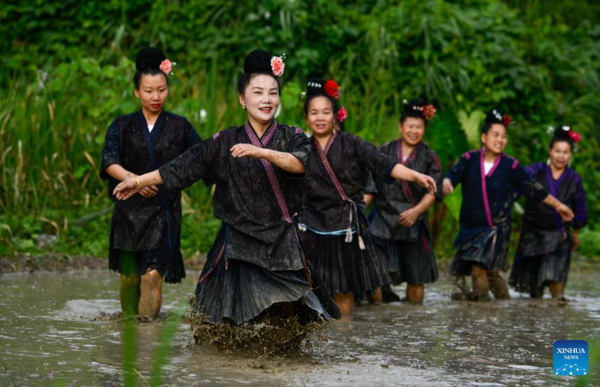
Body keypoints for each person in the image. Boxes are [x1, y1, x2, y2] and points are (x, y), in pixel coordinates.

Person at [113, 50, 340, 325]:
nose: (266, 100)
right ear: (242, 100)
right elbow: (182, 167)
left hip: (282, 243)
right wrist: (136, 181)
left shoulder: (292, 136)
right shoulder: (224, 140)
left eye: (273, 93)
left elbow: (299, 164)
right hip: (238, 244)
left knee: (287, 318)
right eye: (258, 92)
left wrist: (261, 152)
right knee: (228, 324)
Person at [298, 78, 438, 315]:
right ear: (307, 118)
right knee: (310, 288)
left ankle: (343, 342)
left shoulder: (351, 143)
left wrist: (415, 175)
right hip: (313, 226)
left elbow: (384, 163)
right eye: (314, 113)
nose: (320, 118)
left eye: (326, 112)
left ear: (335, 116)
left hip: (346, 228)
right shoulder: (300, 147)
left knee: (344, 290)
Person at [100, 47, 201, 319]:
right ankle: (129, 332)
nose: (156, 97)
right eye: (148, 91)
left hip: (164, 211)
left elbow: (201, 159)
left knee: (152, 277)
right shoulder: (120, 126)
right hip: (127, 211)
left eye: (162, 90)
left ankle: (147, 338)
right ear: (136, 92)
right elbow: (109, 162)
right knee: (130, 279)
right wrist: (134, 181)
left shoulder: (181, 127)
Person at [442, 109, 574, 301]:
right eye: (495, 135)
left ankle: (480, 312)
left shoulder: (511, 166)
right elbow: (452, 176)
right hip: (470, 228)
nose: (500, 140)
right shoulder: (469, 159)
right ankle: (503, 304)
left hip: (497, 229)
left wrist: (558, 205)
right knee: (491, 274)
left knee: (479, 268)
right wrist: (447, 181)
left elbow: (534, 189)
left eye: (504, 136)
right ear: (483, 137)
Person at [365, 98, 443, 305]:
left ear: (424, 129)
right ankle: (375, 320)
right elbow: (371, 187)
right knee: (375, 275)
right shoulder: (383, 151)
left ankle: (414, 322)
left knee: (416, 278)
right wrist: (356, 209)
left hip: (414, 222)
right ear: (400, 127)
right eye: (410, 126)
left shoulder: (430, 156)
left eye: (419, 127)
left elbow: (433, 192)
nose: (414, 131)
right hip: (382, 221)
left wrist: (416, 212)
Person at [509, 125, 587, 300]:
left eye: (565, 152)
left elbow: (580, 208)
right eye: (557, 151)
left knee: (556, 280)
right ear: (550, 151)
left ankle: (558, 312)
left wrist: (576, 233)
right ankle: (536, 324)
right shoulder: (535, 171)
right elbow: (519, 184)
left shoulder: (574, 179)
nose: (561, 156)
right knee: (533, 289)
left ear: (570, 155)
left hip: (559, 236)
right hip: (533, 233)